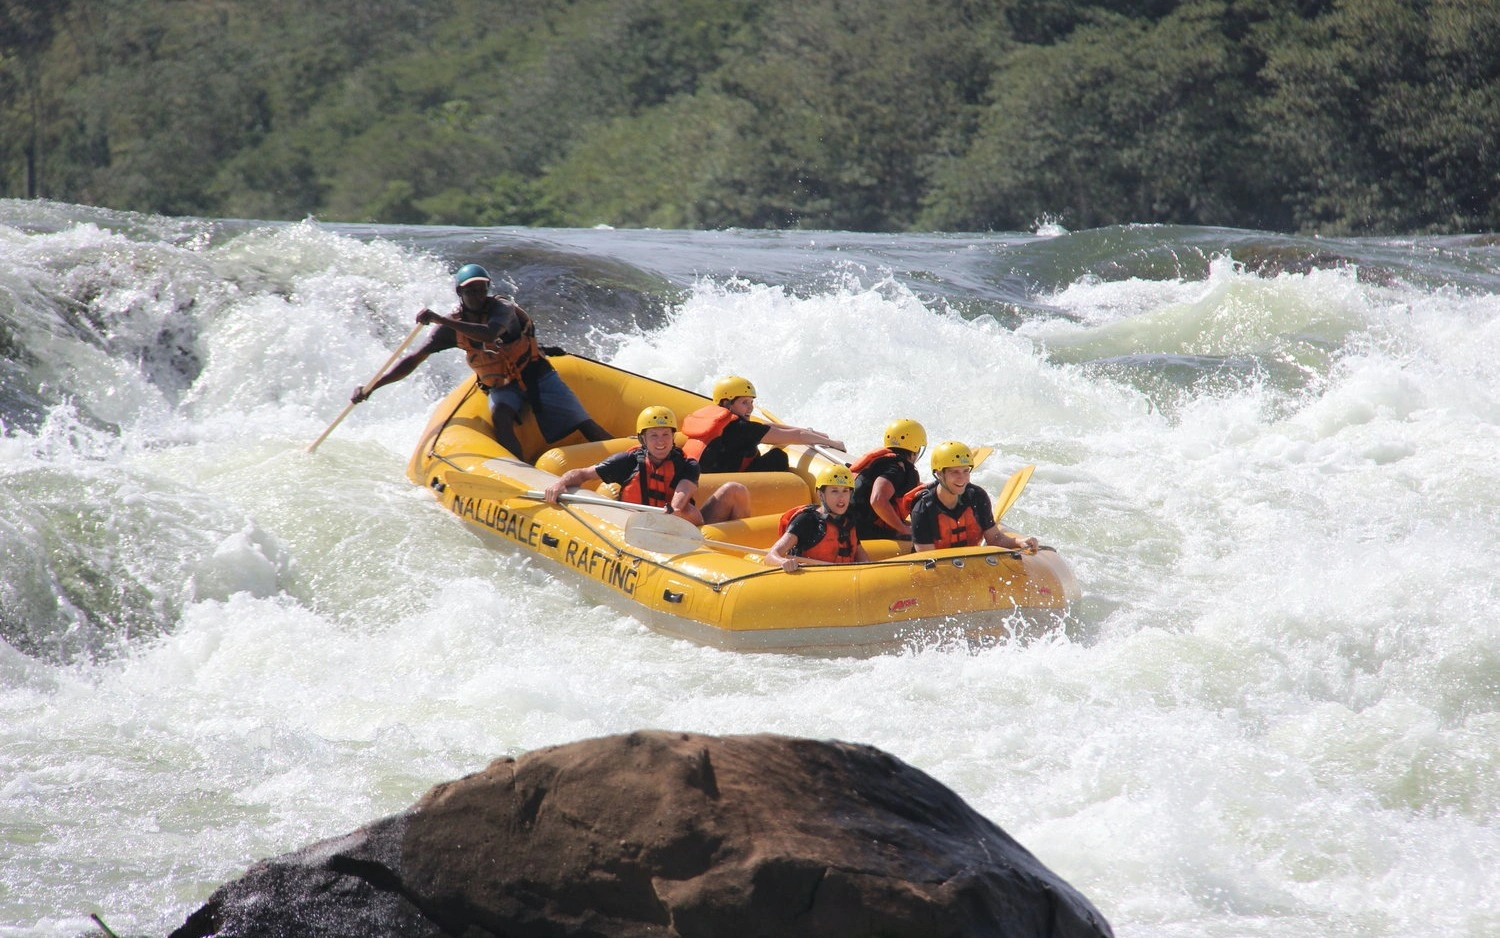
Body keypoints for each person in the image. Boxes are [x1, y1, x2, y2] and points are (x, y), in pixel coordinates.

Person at [351, 263, 610, 459]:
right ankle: (520, 471)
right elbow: (412, 360)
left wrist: (440, 319)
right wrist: (371, 387)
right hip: (502, 385)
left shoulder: (502, 309)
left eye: (481, 288)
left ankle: (630, 460)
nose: (477, 294)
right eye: (470, 290)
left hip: (536, 373)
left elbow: (489, 334)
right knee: (500, 415)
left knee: (582, 422)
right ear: (459, 292)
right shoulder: (450, 328)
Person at [542, 406, 750, 526]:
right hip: (637, 526)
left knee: (730, 492)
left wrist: (674, 509)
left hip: (678, 525)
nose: (661, 442)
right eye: (654, 436)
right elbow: (581, 474)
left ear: (672, 437)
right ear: (643, 439)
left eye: (666, 435)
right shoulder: (627, 461)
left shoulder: (687, 464)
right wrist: (560, 483)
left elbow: (682, 494)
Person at [681, 375, 845, 473]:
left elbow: (767, 426)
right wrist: (831, 442)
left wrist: (811, 432)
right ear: (727, 403)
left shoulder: (720, 420)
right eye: (745, 403)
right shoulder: (741, 429)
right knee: (777, 457)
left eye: (751, 402)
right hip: (718, 484)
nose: (750, 408)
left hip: (698, 479)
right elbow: (796, 436)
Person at [907, 441, 1039, 553]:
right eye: (955, 472)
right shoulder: (923, 509)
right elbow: (927, 558)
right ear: (939, 474)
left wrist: (1019, 542)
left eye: (965, 471)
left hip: (972, 564)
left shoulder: (977, 496)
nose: (962, 478)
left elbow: (995, 538)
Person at [763, 465, 870, 572]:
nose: (841, 497)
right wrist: (783, 562)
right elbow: (771, 556)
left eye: (845, 491)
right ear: (821, 494)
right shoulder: (807, 520)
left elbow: (865, 561)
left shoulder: (848, 521)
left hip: (841, 581)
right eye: (834, 491)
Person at [849, 417, 926, 542]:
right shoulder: (896, 468)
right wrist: (902, 529)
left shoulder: (884, 461)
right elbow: (878, 499)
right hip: (860, 529)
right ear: (916, 448)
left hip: (852, 520)